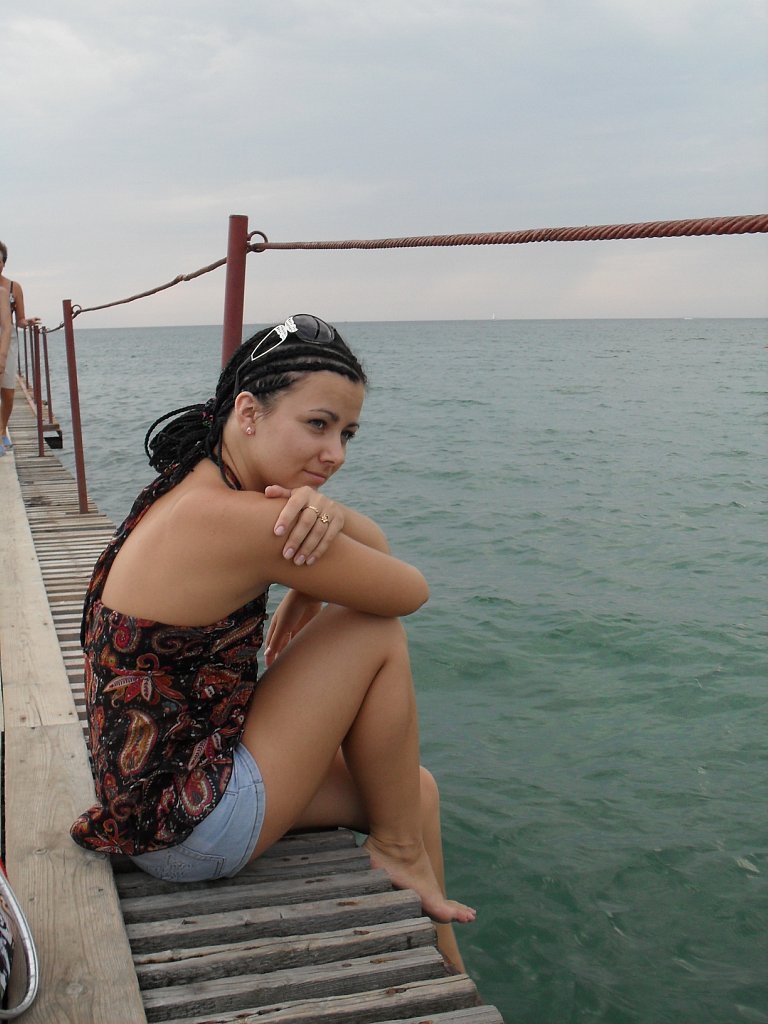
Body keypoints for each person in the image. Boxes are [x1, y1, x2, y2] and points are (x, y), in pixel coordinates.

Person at [70, 314, 475, 970]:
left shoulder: (188, 484)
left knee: (412, 790)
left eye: (347, 434)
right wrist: (325, 535)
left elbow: (371, 560)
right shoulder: (249, 522)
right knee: (370, 628)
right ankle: (399, 850)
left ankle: (451, 960)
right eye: (318, 424)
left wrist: (324, 525)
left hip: (152, 807)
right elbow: (406, 590)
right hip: (192, 829)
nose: (335, 454)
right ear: (249, 413)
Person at [0, 241, 38, 452]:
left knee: (8, 393)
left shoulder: (14, 287)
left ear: (4, 263)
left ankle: (2, 430)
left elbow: (20, 319)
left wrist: (27, 322)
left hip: (9, 341)